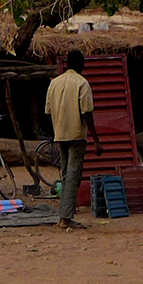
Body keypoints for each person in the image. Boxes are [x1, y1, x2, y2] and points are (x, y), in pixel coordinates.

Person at [45, 48, 103, 230]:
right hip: (76, 135)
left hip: (60, 135)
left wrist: (57, 127)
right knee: (73, 176)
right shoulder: (82, 83)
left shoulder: (54, 83)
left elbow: (48, 111)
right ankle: (66, 218)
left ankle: (63, 216)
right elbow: (87, 113)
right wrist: (96, 140)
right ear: (80, 64)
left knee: (65, 175)